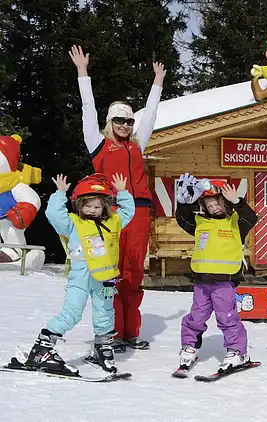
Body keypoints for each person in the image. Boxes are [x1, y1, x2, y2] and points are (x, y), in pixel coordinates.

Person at [69, 45, 165, 352]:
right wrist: (83, 73)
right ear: (110, 122)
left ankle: (130, 332)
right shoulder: (98, 143)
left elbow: (151, 115)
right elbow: (88, 110)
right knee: (111, 272)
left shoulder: (138, 144)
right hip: (109, 213)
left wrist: (157, 82)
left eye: (129, 121)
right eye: (119, 121)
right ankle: (109, 331)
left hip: (139, 211)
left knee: (133, 273)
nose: (125, 126)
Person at [19, 173, 133, 375]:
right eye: (88, 206)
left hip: (106, 280)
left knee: (105, 312)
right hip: (80, 276)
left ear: (105, 207)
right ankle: (42, 348)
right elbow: (54, 214)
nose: (92, 210)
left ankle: (102, 345)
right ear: (79, 205)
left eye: (97, 207)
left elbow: (128, 212)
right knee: (71, 313)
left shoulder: (114, 221)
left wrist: (123, 192)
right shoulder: (73, 223)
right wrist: (60, 193)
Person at [173, 174, 260, 371]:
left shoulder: (236, 222)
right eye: (209, 206)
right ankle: (189, 346)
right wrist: (183, 204)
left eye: (217, 204)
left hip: (225, 282)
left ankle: (237, 351)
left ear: (225, 203)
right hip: (201, 282)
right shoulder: (200, 222)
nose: (213, 208)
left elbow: (251, 217)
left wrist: (237, 201)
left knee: (227, 317)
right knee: (196, 316)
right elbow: (182, 219)